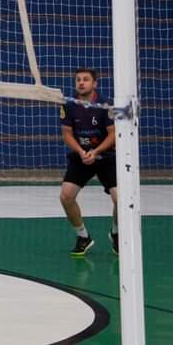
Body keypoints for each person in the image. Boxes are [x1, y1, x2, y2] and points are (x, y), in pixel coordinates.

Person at [59, 67, 118, 256]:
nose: (81, 83)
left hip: (107, 156)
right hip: (81, 156)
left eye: (85, 79)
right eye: (78, 80)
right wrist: (81, 151)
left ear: (95, 84)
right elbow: (67, 134)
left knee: (121, 199)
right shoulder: (68, 105)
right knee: (66, 195)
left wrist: (96, 151)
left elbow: (113, 134)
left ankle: (116, 233)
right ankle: (83, 236)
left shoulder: (105, 104)